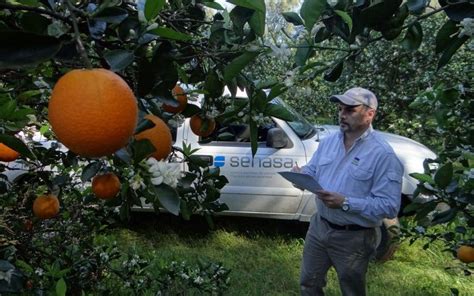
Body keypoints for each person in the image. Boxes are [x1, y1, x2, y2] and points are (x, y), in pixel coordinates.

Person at [294, 87, 403, 296]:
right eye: (340, 109)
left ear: (370, 114)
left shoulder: (383, 154)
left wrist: (345, 202)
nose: (342, 115)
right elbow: (314, 170)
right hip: (319, 227)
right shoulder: (329, 142)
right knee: (309, 283)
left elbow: (389, 206)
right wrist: (301, 176)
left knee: (351, 290)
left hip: (354, 237)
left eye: (350, 110)